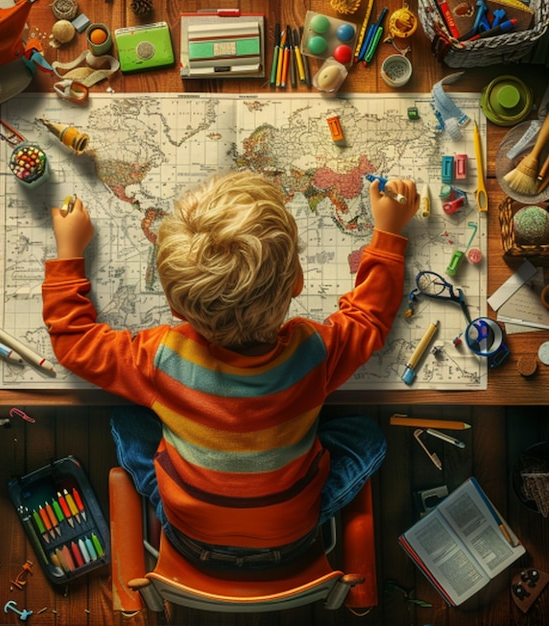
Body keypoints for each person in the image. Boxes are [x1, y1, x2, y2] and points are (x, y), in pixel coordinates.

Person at [42, 170, 419, 569]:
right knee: (367, 437)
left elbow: (75, 343)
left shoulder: (161, 360)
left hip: (187, 535)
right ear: (297, 282)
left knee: (126, 418)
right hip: (292, 539)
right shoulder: (314, 354)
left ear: (175, 309)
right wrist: (389, 231)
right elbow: (369, 319)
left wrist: (69, 251)